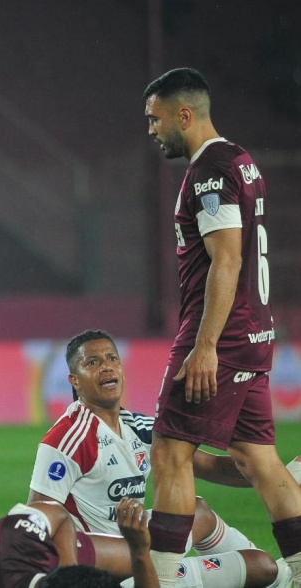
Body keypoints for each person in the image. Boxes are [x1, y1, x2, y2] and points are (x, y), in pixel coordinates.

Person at [142, 67, 301, 586]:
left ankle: (164, 578)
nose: (151, 130)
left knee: (169, 450)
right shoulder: (241, 160)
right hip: (254, 333)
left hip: (222, 336)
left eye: (155, 119)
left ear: (183, 115)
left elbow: (226, 260)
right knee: (259, 459)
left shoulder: (210, 169)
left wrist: (205, 345)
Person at [28, 329, 282, 588]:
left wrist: (277, 473)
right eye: (92, 363)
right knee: (263, 568)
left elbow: (212, 467)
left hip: (137, 542)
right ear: (75, 380)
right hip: (108, 568)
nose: (106, 367)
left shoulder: (140, 428)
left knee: (198, 511)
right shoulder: (68, 438)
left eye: (112, 358)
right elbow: (36, 523)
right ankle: (280, 578)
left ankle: (278, 579)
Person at [0, 497, 158, 588]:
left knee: (153, 555)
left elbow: (58, 514)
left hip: (51, 559)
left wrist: (70, 569)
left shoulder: (19, 542)